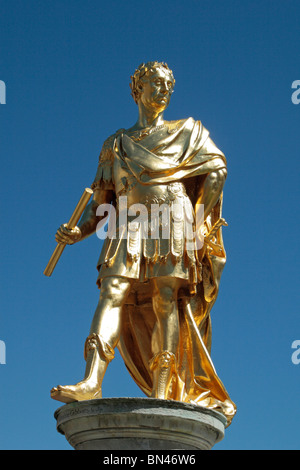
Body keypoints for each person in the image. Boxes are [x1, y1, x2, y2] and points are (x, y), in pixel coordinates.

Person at [50, 61, 236, 426]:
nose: (164, 90)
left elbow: (217, 168)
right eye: (156, 83)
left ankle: (163, 387)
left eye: (169, 85)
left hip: (172, 218)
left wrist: (199, 221)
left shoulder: (188, 132)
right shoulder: (115, 144)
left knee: (165, 299)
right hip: (127, 222)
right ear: (137, 89)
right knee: (112, 290)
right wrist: (79, 232)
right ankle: (91, 380)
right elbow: (101, 205)